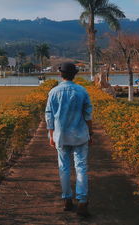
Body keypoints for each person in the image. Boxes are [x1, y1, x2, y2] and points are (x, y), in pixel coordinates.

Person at [45, 62, 93, 217]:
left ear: (61, 74)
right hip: (80, 135)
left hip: (61, 135)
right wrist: (90, 133)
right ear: (75, 74)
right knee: (81, 167)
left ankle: (67, 199)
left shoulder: (53, 92)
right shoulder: (82, 91)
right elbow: (88, 114)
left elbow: (49, 115)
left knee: (64, 168)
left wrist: (51, 134)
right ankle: (82, 201)